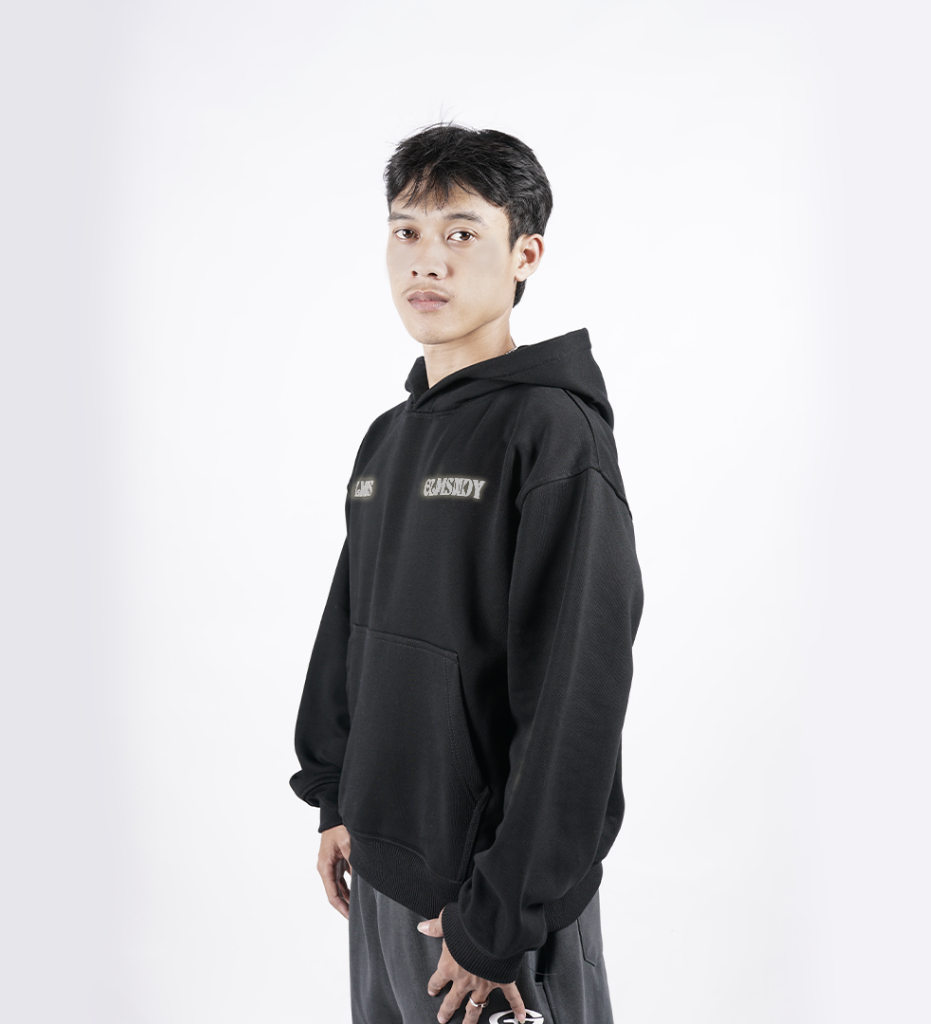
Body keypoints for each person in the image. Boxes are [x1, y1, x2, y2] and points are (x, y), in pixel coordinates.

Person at [290, 123, 645, 1024]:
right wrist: (337, 799)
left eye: (461, 233)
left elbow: (576, 695)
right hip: (384, 876)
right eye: (406, 231)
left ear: (525, 255)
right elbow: (352, 629)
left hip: (485, 909)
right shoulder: (389, 438)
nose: (427, 259)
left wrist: (498, 918)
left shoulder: (554, 436)